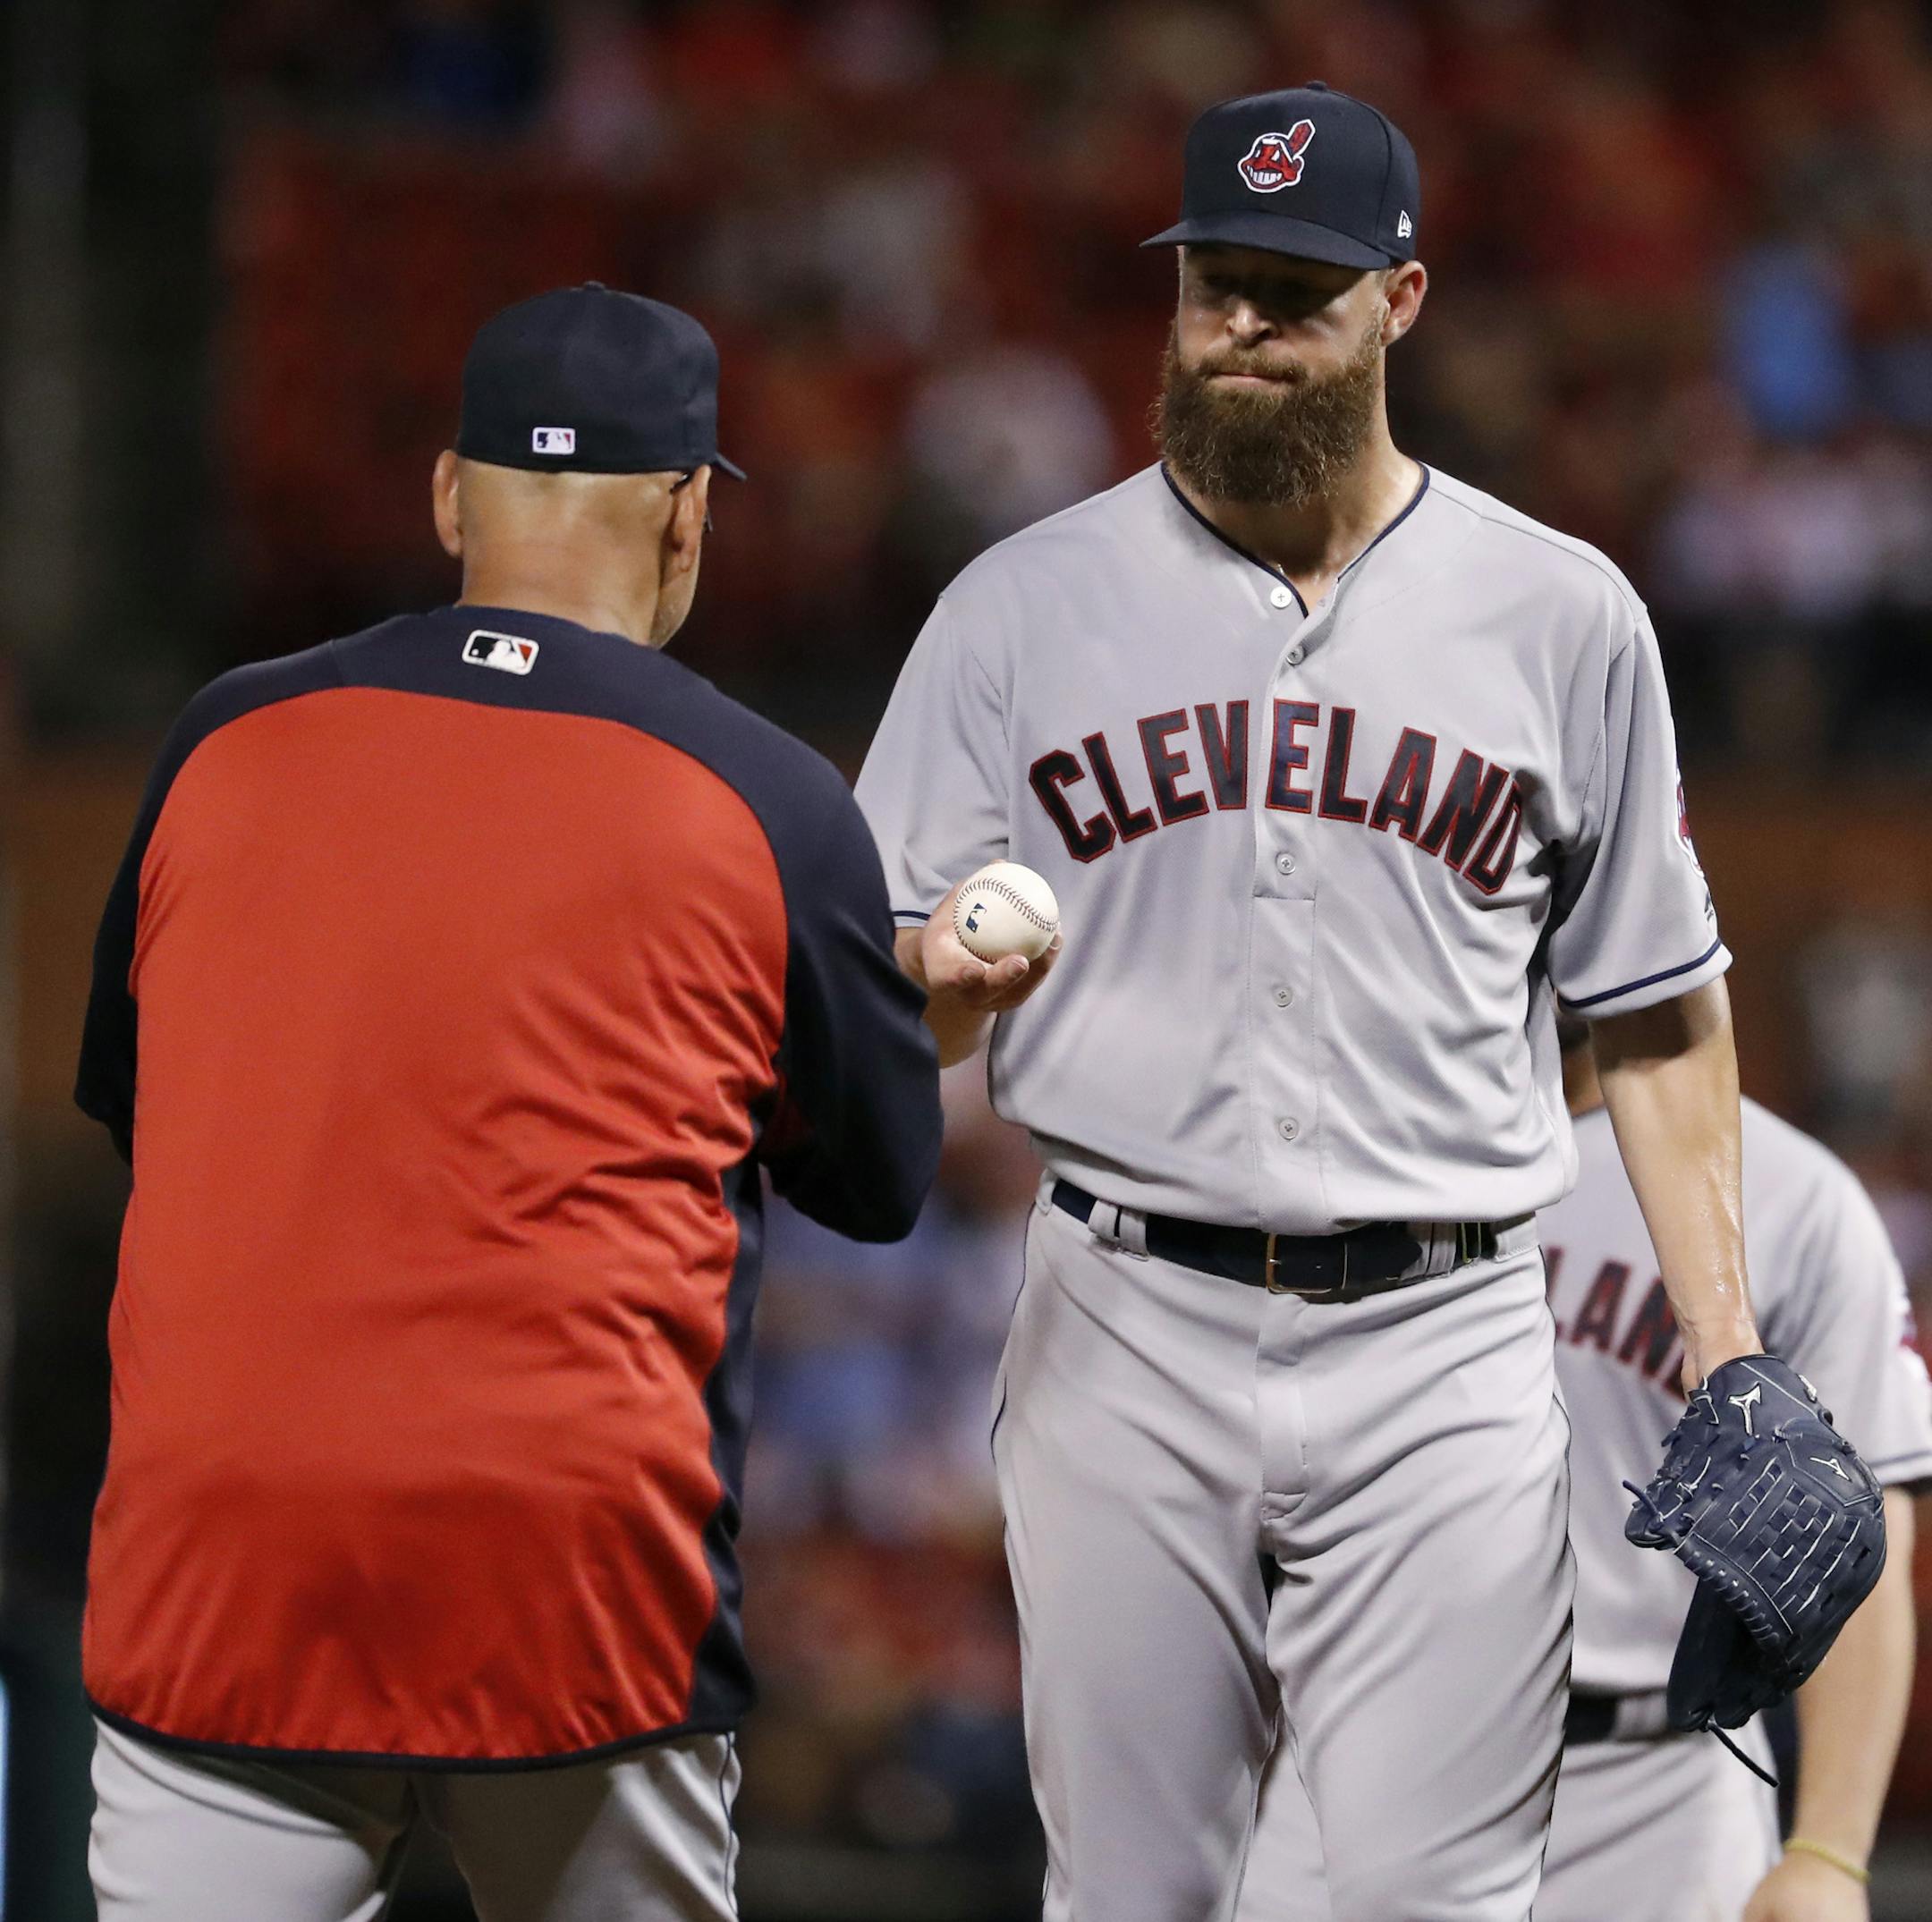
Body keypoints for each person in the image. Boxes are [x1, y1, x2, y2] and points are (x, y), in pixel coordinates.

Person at [853, 82, 1823, 1921]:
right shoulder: (1016, 608)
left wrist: (1729, 1348)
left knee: (1432, 1901)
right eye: (1215, 285)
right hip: (1123, 1311)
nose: (1242, 333)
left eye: (1293, 295)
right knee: (1130, 1890)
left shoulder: (1562, 615)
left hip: (1448, 1341)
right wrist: (937, 983)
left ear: (1402, 299)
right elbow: (867, 1006)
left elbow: (1659, 1011)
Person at [74, 284, 942, 1922]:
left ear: (451, 494)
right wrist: (925, 1005)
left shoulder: (221, 737)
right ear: (688, 511)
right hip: (571, 1580)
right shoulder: (769, 796)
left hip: (224, 1550)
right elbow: (877, 1176)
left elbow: (147, 1103)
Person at [1238, 1017, 1932, 1922]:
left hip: (1660, 1793)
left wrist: (1830, 1849)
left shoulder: (1791, 1196)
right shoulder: (1341, 1155)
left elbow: (1858, 1544)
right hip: (1358, 1749)